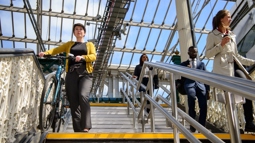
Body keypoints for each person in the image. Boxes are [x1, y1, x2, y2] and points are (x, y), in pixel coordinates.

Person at [39, 23, 96, 132]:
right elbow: (56, 50)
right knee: (73, 101)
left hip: (85, 73)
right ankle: (78, 129)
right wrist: (45, 53)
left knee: (83, 95)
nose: (78, 31)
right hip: (71, 73)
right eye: (76, 29)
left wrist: (83, 57)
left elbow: (93, 56)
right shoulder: (69, 44)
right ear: (74, 33)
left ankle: (86, 125)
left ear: (84, 33)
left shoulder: (89, 45)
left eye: (81, 29)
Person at [205, 9, 255, 132]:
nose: (230, 19)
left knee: (246, 87)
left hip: (235, 67)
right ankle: (234, 126)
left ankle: (249, 121)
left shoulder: (232, 35)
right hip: (222, 70)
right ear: (221, 19)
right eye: (228, 17)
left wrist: (253, 62)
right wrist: (221, 44)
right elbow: (208, 55)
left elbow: (237, 56)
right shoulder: (212, 35)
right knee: (229, 99)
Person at [178, 46, 210, 132]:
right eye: (192, 52)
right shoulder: (183, 64)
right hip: (189, 84)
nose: (193, 53)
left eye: (195, 52)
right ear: (188, 53)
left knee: (203, 105)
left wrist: (207, 90)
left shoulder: (202, 64)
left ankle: (202, 126)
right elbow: (179, 75)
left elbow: (206, 77)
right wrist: (186, 70)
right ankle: (192, 123)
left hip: (201, 86)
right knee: (191, 99)